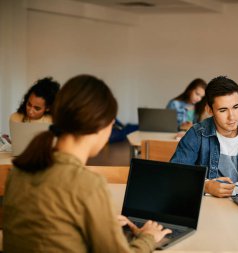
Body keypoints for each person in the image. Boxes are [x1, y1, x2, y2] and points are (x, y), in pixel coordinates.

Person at [3, 75, 171, 252]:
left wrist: (100, 221)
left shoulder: (17, 172)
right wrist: (148, 238)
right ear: (101, 125)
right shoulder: (88, 185)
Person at [170, 76, 238, 198]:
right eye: (223, 110)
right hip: (207, 205)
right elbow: (176, 175)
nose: (232, 117)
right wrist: (206, 186)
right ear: (209, 110)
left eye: (236, 107)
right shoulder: (196, 134)